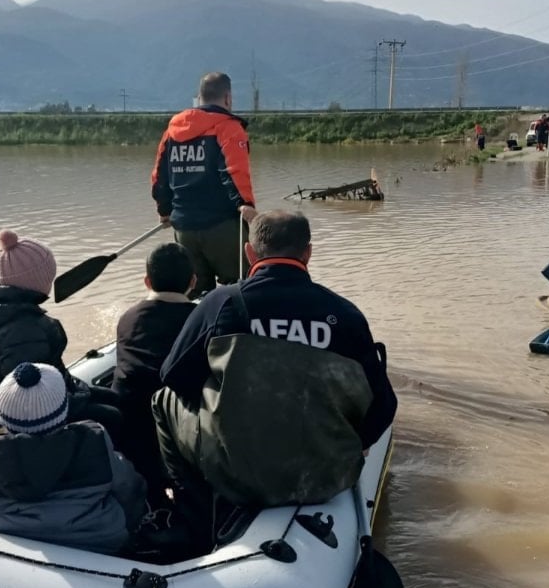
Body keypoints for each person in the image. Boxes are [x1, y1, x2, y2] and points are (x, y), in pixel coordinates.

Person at [153, 211, 398, 532]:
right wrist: (358, 441)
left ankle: (191, 509)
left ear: (250, 253)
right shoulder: (344, 314)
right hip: (323, 475)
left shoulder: (221, 303)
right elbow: (384, 405)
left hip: (236, 472)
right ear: (307, 252)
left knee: (161, 399)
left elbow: (173, 377)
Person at [0, 362, 147, 555]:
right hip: (97, 546)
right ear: (63, 411)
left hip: (5, 552)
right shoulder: (94, 443)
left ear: (1, 416)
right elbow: (129, 488)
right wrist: (132, 524)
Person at [0, 229, 122, 435]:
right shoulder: (26, 332)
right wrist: (79, 399)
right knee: (113, 417)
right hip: (12, 411)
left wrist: (81, 392)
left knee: (113, 397)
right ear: (36, 281)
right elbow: (33, 398)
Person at [151, 72, 257, 297]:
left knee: (192, 292)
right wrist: (245, 204)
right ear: (228, 98)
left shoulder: (173, 130)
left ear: (199, 97)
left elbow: (159, 176)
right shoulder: (228, 127)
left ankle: (197, 331)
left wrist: (164, 210)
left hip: (184, 228)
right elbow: (234, 171)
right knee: (241, 289)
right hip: (223, 226)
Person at [111, 243, 198, 499]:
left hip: (131, 428)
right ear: (193, 281)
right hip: (179, 429)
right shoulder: (199, 320)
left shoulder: (128, 318)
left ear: (147, 281)